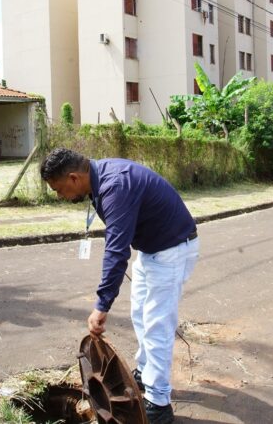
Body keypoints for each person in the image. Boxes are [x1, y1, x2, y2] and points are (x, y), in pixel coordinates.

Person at [40, 148, 199, 424]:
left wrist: (102, 305)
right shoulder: (100, 179)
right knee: (140, 314)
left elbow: (116, 250)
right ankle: (146, 373)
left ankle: (159, 403)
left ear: (75, 178)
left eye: (59, 189)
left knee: (157, 326)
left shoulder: (115, 185)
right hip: (152, 251)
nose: (59, 196)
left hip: (172, 249)